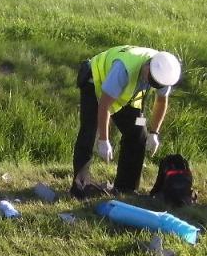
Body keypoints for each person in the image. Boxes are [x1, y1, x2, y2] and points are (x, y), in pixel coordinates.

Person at [71, 45, 182, 198]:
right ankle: (80, 187)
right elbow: (104, 105)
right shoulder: (123, 70)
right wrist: (104, 140)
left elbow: (161, 101)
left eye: (155, 84)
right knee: (89, 133)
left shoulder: (165, 72)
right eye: (150, 80)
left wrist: (154, 132)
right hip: (95, 82)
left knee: (138, 133)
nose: (149, 83)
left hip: (123, 96)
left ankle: (126, 188)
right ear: (147, 66)